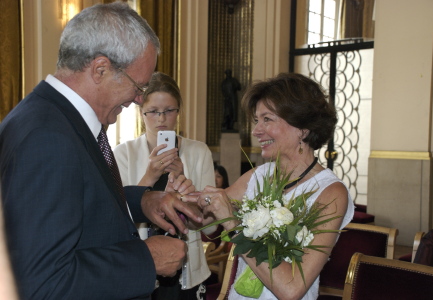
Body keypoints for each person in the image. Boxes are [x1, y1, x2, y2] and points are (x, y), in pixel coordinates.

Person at [0, 3, 202, 299]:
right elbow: (42, 283)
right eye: (137, 86)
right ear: (100, 69)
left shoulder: (56, 118)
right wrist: (147, 259)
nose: (137, 100)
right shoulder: (47, 137)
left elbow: (78, 202)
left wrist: (142, 201)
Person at [186, 73, 354, 300]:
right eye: (257, 120)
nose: (256, 131)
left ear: (302, 127)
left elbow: (292, 288)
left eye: (267, 119)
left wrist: (233, 225)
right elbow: (202, 219)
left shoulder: (331, 193)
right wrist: (182, 195)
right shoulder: (259, 175)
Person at [114, 72, 215, 299]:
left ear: (179, 111)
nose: (161, 119)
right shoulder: (123, 154)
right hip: (142, 265)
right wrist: (150, 176)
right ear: (142, 113)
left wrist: (183, 182)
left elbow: (209, 227)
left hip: (186, 267)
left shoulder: (199, 152)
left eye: (169, 111)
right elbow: (117, 219)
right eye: (153, 112)